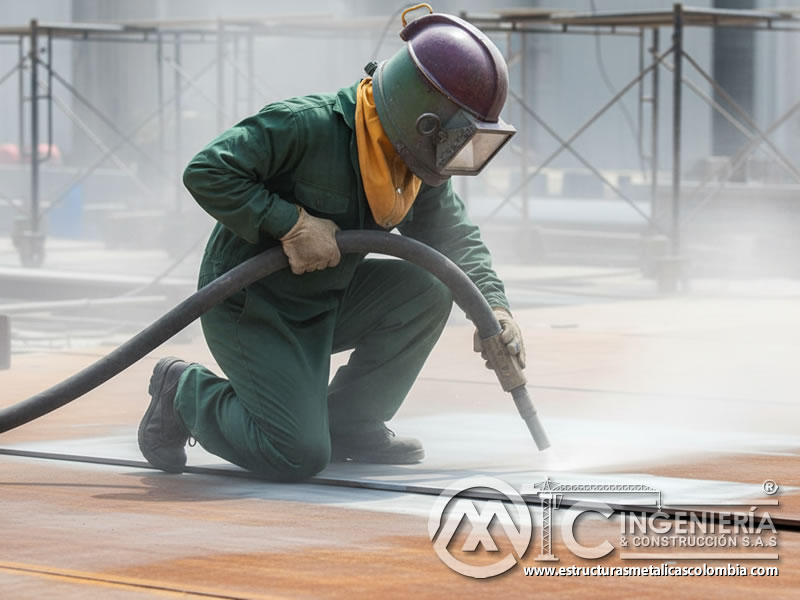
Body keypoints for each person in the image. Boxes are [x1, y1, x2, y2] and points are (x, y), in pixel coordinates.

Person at [137, 8, 526, 481]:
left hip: (326, 298)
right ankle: (184, 393)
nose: (455, 153)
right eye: (456, 136)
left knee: (432, 286)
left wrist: (496, 311)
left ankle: (351, 423)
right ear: (424, 117)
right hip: (254, 308)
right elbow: (207, 170)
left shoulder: (416, 163)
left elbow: (453, 240)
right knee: (294, 454)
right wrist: (289, 223)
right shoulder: (306, 126)